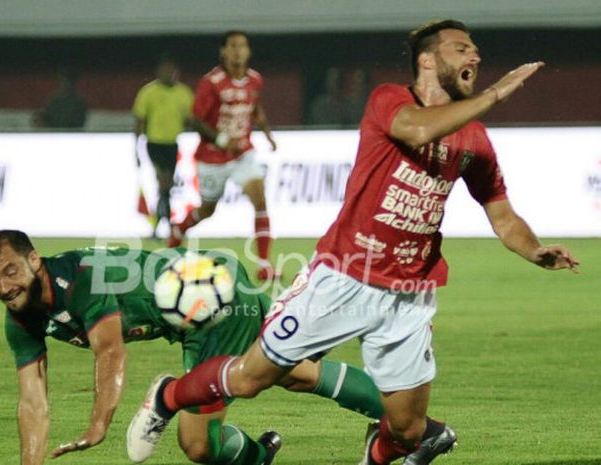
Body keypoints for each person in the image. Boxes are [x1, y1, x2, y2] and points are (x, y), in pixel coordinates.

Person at [127, 19, 580, 465]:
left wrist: (534, 249)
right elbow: (418, 130)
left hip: (410, 292)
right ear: (426, 59)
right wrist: (496, 93)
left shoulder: (474, 140)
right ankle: (168, 397)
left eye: (474, 50)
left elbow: (501, 213)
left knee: (407, 430)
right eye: (461, 48)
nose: (474, 55)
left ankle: (375, 453)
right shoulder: (389, 100)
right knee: (252, 377)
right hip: (344, 274)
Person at [0, 229, 384, 465]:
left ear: (33, 260)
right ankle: (407, 421)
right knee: (294, 373)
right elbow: (32, 403)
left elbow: (111, 352)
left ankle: (174, 401)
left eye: (10, 271)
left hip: (205, 299)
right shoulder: (20, 317)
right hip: (208, 288)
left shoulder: (80, 280)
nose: (4, 287)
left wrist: (98, 426)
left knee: (197, 443)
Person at [168, 30, 280, 281]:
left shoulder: (255, 80)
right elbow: (195, 119)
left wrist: (268, 134)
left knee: (260, 199)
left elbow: (256, 109)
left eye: (242, 46)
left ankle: (264, 266)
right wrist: (220, 139)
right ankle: (178, 229)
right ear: (224, 51)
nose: (238, 51)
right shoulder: (211, 82)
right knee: (207, 210)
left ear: (248, 51)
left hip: (243, 153)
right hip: (212, 158)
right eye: (233, 46)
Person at [132, 54, 194, 230]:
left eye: (171, 70)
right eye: (165, 69)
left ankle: (160, 223)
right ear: (158, 71)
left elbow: (191, 119)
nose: (168, 73)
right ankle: (167, 223)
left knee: (166, 185)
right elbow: (139, 121)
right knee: (164, 181)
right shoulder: (148, 92)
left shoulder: (183, 93)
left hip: (172, 144)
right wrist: (136, 149)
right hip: (154, 144)